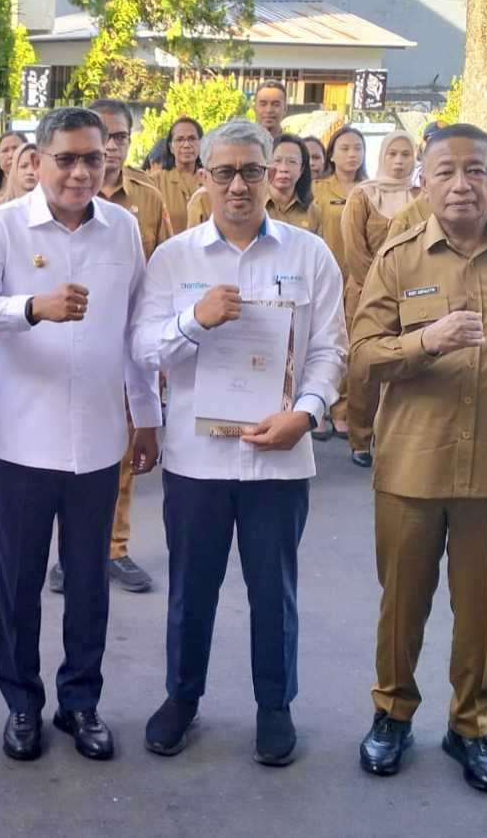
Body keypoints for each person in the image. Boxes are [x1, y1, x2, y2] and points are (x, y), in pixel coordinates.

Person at [352, 123, 487, 793]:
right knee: (402, 605)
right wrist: (427, 342)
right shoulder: (399, 258)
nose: (460, 184)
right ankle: (392, 714)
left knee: (481, 609)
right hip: (412, 466)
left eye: (474, 170)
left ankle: (470, 727)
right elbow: (364, 355)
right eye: (445, 171)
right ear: (424, 181)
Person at [131, 120, 347, 763]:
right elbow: (144, 349)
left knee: (273, 592)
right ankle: (181, 697)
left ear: (272, 175)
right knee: (190, 589)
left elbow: (330, 351)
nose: (238, 185)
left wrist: (306, 414)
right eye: (223, 172)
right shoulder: (175, 259)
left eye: (251, 171)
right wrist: (191, 321)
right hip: (196, 461)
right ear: (204, 178)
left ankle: (274, 705)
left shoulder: (310, 255)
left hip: (278, 460)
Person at [0, 107, 161, 763]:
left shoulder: (123, 228)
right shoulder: (4, 225)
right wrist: (30, 308)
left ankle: (80, 702)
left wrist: (146, 414)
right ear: (37, 161)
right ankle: (22, 702)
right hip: (22, 438)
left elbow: (135, 331)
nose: (79, 172)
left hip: (98, 437)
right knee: (20, 581)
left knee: (89, 580)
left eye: (92, 158)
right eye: (66, 159)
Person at [47, 97, 171, 595]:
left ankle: (114, 547)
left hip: (124, 348)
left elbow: (159, 275)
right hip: (64, 350)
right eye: (106, 138)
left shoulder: (147, 200)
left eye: (120, 137)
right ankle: (68, 554)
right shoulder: (57, 191)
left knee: (121, 454)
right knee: (65, 458)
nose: (113, 147)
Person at [341, 130, 417, 465]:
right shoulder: (363, 195)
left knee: (406, 365)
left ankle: (393, 438)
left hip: (410, 295)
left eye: (406, 154)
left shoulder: (421, 198)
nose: (399, 161)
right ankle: (360, 439)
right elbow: (354, 250)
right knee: (365, 368)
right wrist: (380, 288)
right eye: (392, 154)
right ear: (382, 156)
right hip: (365, 294)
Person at [313, 125, 368, 436]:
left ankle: (343, 408)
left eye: (357, 148)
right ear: (331, 155)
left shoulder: (371, 189)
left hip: (359, 279)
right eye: (344, 148)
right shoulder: (318, 190)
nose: (351, 154)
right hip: (325, 275)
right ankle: (318, 405)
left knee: (351, 343)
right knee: (322, 339)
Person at [152, 116, 203, 234]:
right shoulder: (155, 181)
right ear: (171, 147)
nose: (186, 145)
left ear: (201, 144)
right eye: (180, 139)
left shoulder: (211, 179)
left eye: (192, 138)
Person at [266, 133, 323, 234]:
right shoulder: (254, 206)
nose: (283, 168)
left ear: (302, 169)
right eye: (277, 161)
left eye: (292, 162)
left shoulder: (313, 213)